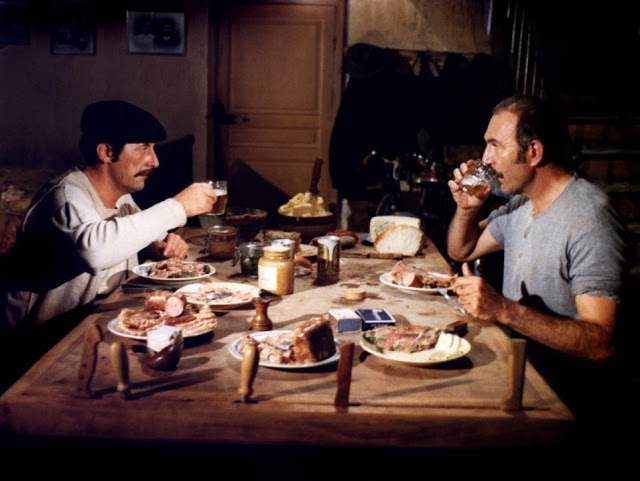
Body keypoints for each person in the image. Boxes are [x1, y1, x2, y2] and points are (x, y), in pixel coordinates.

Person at [0, 100, 216, 390]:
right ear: (106, 152)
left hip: (84, 330)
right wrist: (177, 207)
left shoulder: (121, 198)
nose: (155, 161)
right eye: (143, 148)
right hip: (31, 348)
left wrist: (160, 244)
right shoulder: (66, 197)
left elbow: (127, 235)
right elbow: (96, 249)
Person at [446, 94, 632, 421]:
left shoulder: (590, 218)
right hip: (517, 373)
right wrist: (466, 210)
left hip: (564, 402)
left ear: (533, 152)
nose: (484, 160)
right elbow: (462, 250)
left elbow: (601, 343)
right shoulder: (522, 204)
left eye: (495, 146)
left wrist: (504, 309)